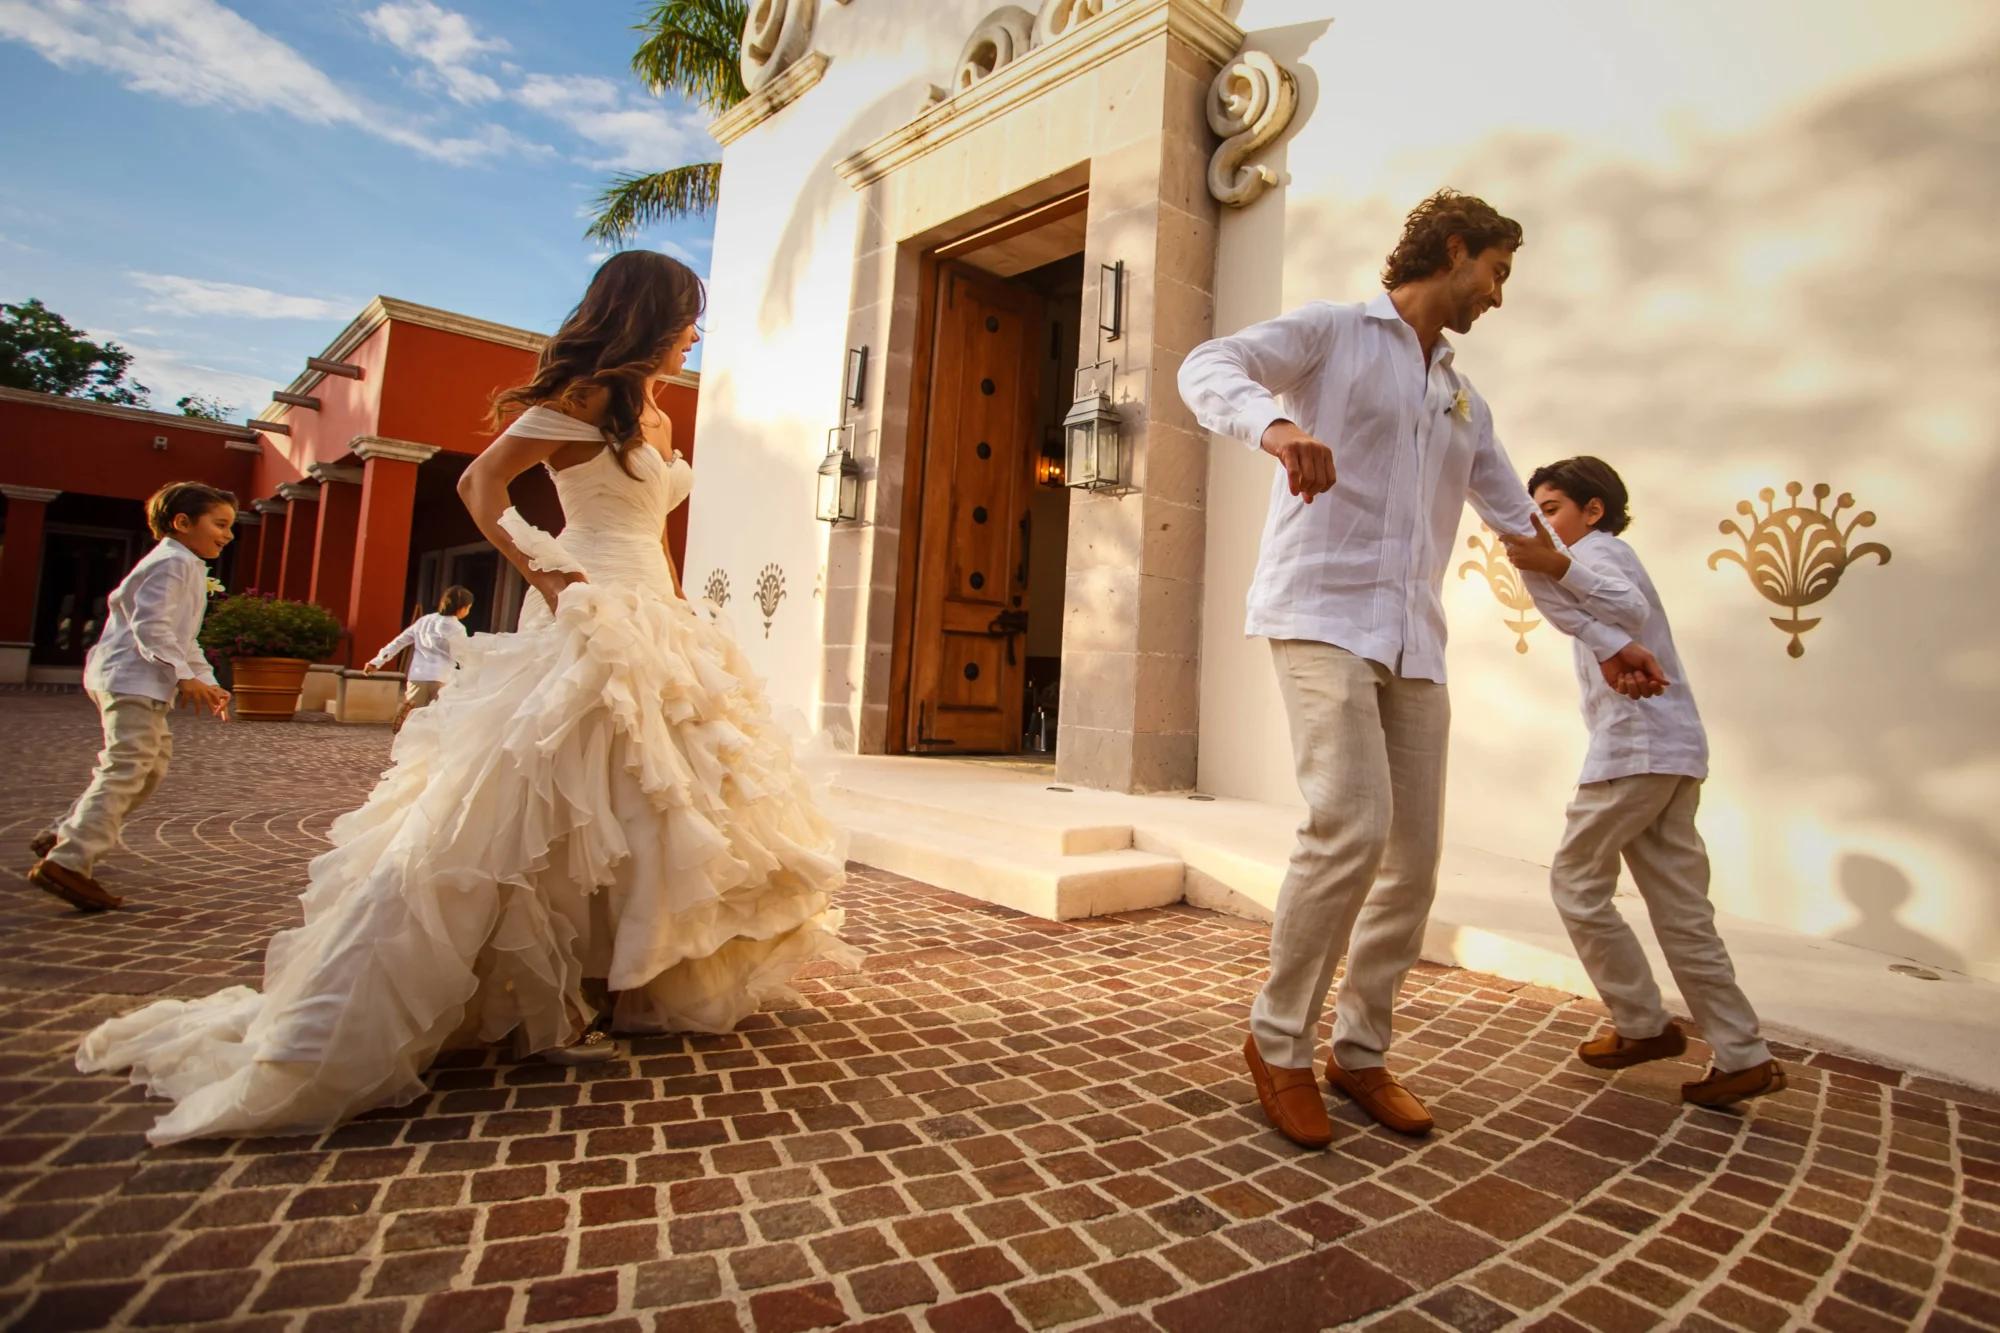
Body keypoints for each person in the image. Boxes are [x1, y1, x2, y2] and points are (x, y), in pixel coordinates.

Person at [78, 252, 858, 1143]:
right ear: (645, 315)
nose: (693, 334)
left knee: (654, 798)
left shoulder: (653, 407)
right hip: (592, 600)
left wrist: (676, 603)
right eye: (686, 317)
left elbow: (654, 527)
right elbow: (478, 487)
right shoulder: (587, 397)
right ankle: (548, 999)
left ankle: (628, 976)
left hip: (655, 611)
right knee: (549, 796)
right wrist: (550, 573)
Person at [1178, 190, 1672, 1148]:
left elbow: (1524, 534)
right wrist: (1276, 432)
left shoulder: (1464, 397)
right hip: (1320, 611)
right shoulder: (1331, 332)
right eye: (1496, 271)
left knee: (1412, 861)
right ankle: (1277, 1041)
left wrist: (1608, 638)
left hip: (1415, 638)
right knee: (1351, 826)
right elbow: (1211, 364)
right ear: (1455, 251)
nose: (1498, 294)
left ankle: (1358, 1052)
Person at [1502, 456, 1786, 1107]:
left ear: (1592, 510)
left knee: (1575, 882)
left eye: (1552, 509)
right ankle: (1743, 1054)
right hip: (1673, 749)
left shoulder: (1601, 554)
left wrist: (1554, 563)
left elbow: (1625, 612)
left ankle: (1642, 1023)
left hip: (1635, 751)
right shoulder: (1604, 557)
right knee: (1685, 913)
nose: (1541, 523)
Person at [28, 483, 235, 912]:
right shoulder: (171, 564)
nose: (228, 535)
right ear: (182, 523)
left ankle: (69, 832)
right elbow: (152, 627)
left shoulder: (187, 565)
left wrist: (205, 679)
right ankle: (69, 860)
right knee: (128, 767)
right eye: (220, 524)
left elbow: (185, 638)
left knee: (149, 770)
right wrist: (182, 676)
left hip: (143, 682)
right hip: (130, 680)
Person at [366, 585, 473, 732]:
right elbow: (462, 654)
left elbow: (400, 641)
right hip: (444, 677)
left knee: (413, 718)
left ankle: (406, 740)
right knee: (438, 720)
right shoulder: (457, 628)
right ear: (462, 608)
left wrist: (377, 661)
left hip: (418, 675)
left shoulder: (424, 621)